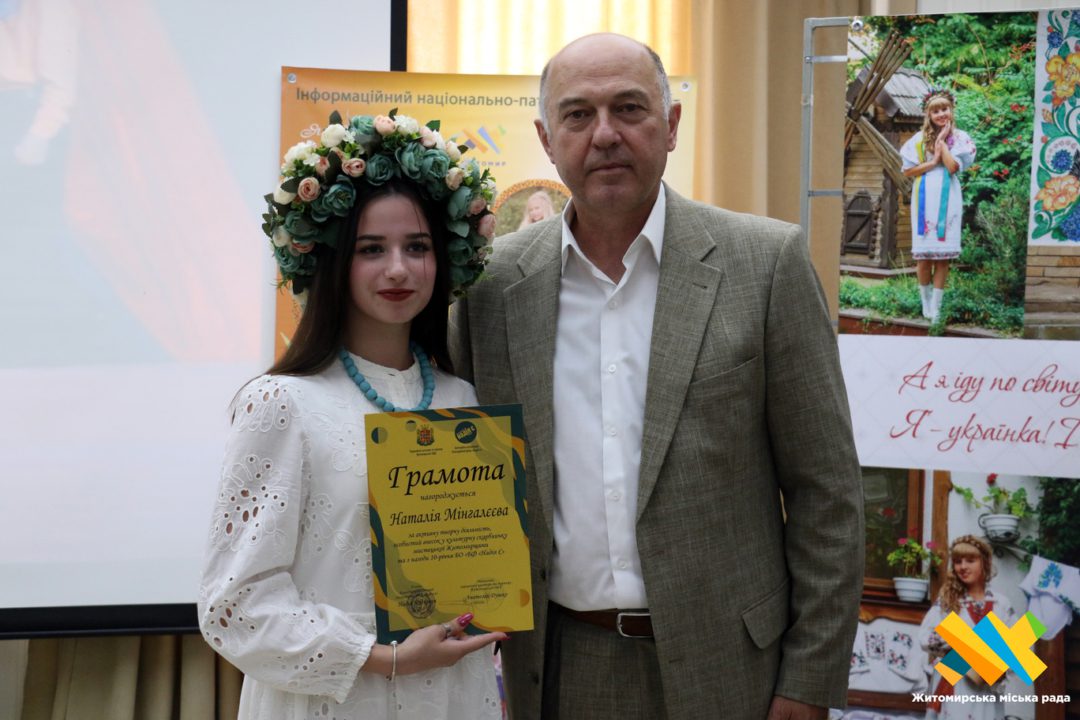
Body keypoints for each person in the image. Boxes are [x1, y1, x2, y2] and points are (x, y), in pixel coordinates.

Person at [448, 33, 864, 720]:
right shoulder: (490, 287)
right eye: (578, 115)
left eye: (629, 108)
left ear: (670, 126)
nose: (605, 134)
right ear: (547, 140)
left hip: (736, 672)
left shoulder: (766, 264)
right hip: (558, 670)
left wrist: (809, 680)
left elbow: (828, 495)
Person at [198, 111, 506, 719]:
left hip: (453, 695)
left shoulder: (463, 401)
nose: (398, 269)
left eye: (417, 247)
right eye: (371, 249)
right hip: (335, 699)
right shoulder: (282, 403)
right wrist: (384, 657)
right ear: (332, 261)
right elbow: (232, 606)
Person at [918, 535, 1015, 720]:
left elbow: (1017, 649)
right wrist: (959, 641)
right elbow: (924, 638)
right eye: (957, 561)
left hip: (986, 686)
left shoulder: (1001, 604)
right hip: (954, 680)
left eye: (970, 560)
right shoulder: (948, 602)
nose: (963, 567)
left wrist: (997, 663)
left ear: (984, 562)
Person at [900, 89, 976, 323]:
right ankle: (925, 304)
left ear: (951, 110)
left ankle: (937, 308)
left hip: (948, 197)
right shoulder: (918, 139)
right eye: (936, 111)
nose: (941, 114)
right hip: (924, 198)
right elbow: (908, 171)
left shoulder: (960, 138)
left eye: (945, 109)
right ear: (929, 114)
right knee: (923, 258)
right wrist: (932, 162)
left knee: (942, 258)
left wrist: (942, 142)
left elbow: (952, 168)